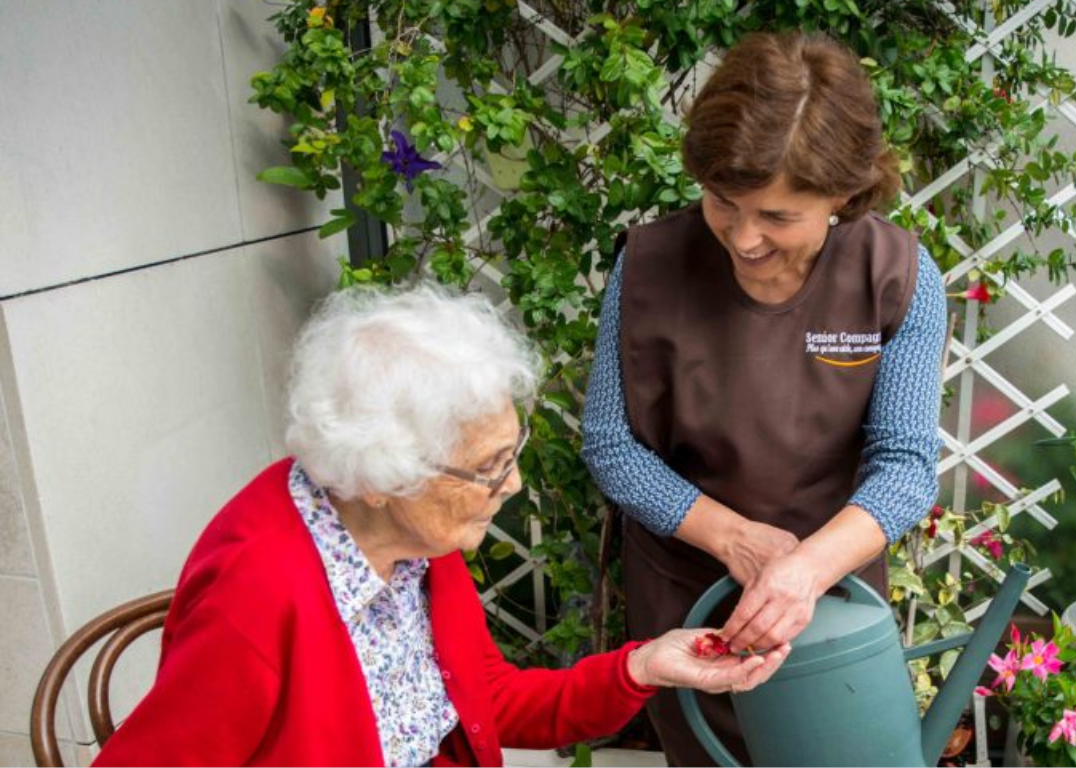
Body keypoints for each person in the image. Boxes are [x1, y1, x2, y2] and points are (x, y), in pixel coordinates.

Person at [92, 283, 788, 767]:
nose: (511, 484)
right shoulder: (257, 595)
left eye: (511, 453)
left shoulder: (415, 542)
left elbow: (490, 699)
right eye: (489, 467)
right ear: (387, 476)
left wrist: (642, 665)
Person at [581, 30, 945, 766]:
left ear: (842, 194)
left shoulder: (896, 276)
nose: (743, 238)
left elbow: (906, 466)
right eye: (723, 202)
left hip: (830, 607)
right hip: (687, 597)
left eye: (777, 217)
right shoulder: (649, 266)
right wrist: (737, 540)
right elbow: (611, 446)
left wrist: (803, 571)